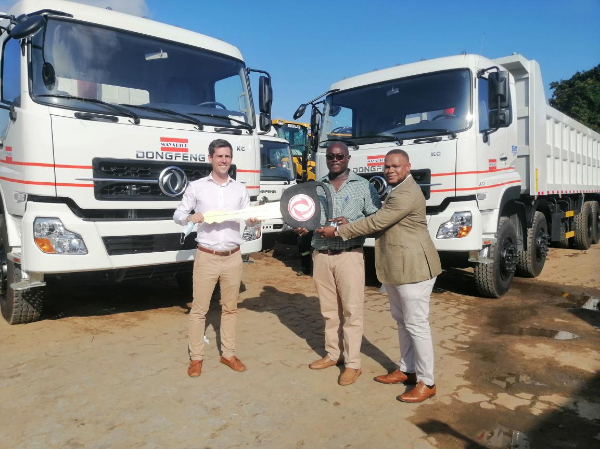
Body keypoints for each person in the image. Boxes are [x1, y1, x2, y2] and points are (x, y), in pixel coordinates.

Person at [316, 149, 442, 402]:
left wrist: (339, 230)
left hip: (414, 267)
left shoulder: (407, 192)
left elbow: (377, 222)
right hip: (398, 267)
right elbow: (380, 220)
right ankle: (407, 370)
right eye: (387, 166)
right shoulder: (398, 189)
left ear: (408, 167)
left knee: (417, 325)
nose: (390, 170)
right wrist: (348, 222)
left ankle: (427, 382)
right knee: (403, 322)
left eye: (396, 166)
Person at [296, 142, 381, 386]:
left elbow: (377, 221)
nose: (335, 159)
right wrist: (303, 227)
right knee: (329, 311)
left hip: (349, 255)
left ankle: (353, 363)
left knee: (352, 311)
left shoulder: (364, 186)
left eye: (340, 156)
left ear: (348, 158)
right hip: (321, 256)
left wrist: (350, 225)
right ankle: (334, 354)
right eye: (331, 156)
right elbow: (308, 216)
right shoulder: (317, 187)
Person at [174, 139, 258, 378]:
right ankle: (196, 357)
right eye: (219, 156)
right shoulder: (197, 187)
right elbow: (178, 213)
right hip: (207, 256)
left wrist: (254, 221)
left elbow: (250, 219)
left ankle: (228, 354)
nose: (224, 160)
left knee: (230, 308)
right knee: (199, 310)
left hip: (232, 257)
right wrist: (189, 217)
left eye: (227, 156)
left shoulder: (239, 189)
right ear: (210, 158)